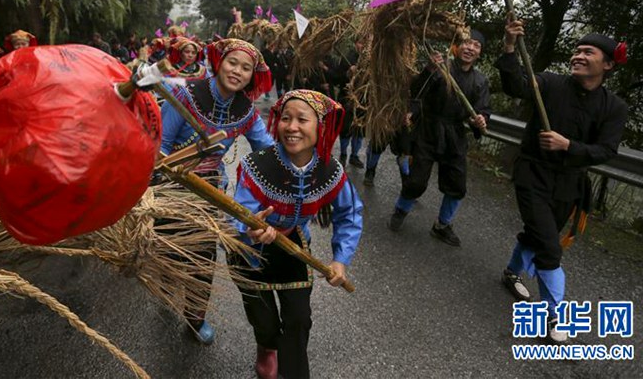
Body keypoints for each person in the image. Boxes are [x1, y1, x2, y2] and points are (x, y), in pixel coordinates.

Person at [497, 20, 628, 343]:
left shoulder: (614, 107)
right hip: (533, 173)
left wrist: (568, 145)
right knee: (549, 247)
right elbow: (516, 86)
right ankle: (554, 317)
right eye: (577, 50)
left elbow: (606, 150)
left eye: (588, 52)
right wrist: (510, 47)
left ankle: (511, 272)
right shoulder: (550, 83)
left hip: (570, 183)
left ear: (608, 64)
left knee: (538, 235)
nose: (578, 55)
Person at [230, 89, 363, 379]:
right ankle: (266, 346)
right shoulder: (257, 165)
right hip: (250, 250)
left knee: (299, 319)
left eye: (302, 119)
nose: (291, 127)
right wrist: (251, 228)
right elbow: (237, 213)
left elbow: (349, 214)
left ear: (321, 127)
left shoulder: (330, 170)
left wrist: (340, 260)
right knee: (264, 320)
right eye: (286, 118)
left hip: (294, 245)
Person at [159, 38, 276, 344]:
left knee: (204, 254)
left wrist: (298, 162)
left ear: (252, 76)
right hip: (169, 184)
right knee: (169, 248)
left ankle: (196, 317)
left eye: (246, 68)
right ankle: (166, 279)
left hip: (209, 188)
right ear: (219, 62)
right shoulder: (185, 94)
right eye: (232, 63)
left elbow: (266, 151)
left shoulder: (247, 111)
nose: (237, 71)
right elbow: (161, 145)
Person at [388, 30, 491, 246]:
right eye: (466, 43)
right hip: (428, 130)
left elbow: (482, 110)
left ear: (480, 52)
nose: (470, 48)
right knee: (416, 181)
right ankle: (401, 209)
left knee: (457, 186)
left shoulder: (480, 81)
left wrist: (480, 120)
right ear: (457, 46)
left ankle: (442, 225)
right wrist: (429, 69)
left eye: (476, 45)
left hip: (455, 136)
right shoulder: (441, 67)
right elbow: (416, 90)